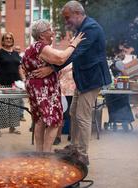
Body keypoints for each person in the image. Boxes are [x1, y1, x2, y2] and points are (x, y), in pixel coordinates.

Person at [33, 1, 111, 163]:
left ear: (77, 13)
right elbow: (72, 53)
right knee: (74, 113)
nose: (66, 21)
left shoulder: (91, 29)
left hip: (92, 79)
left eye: (67, 17)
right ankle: (74, 148)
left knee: (82, 116)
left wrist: (52, 69)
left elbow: (74, 54)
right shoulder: (81, 29)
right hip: (83, 79)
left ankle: (81, 154)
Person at [21, 19, 84, 152]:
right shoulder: (41, 47)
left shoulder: (30, 48)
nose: (53, 33)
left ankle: (39, 153)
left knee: (40, 120)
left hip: (34, 87)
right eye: (50, 30)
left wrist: (51, 70)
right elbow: (61, 58)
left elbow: (27, 67)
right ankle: (46, 153)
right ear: (41, 35)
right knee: (55, 120)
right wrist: (73, 44)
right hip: (44, 88)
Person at [0, 32, 25, 137]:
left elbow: (19, 69)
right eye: (6, 38)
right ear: (3, 41)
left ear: (12, 40)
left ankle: (13, 127)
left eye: (10, 38)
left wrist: (24, 80)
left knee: (14, 106)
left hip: (15, 85)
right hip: (1, 84)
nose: (8, 40)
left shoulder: (16, 54)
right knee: (1, 106)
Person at [53, 64, 76, 145]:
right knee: (61, 113)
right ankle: (58, 136)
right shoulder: (61, 59)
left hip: (74, 90)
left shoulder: (76, 58)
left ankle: (71, 134)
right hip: (62, 90)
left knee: (73, 113)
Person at [14, 45, 26, 121]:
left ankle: (21, 115)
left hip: (20, 82)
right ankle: (14, 116)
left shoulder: (22, 59)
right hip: (13, 82)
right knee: (14, 100)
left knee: (21, 100)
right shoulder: (12, 58)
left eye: (19, 49)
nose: (18, 50)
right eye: (16, 49)